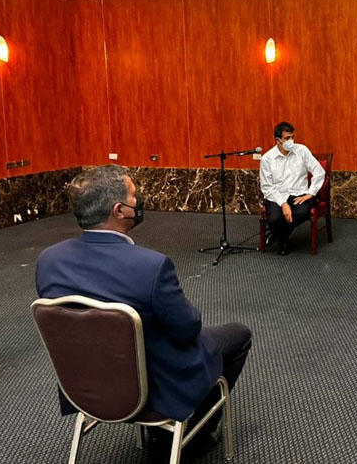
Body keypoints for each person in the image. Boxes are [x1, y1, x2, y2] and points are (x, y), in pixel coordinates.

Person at [35, 165, 253, 449]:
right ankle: (195, 437)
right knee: (238, 335)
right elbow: (187, 330)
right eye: (134, 195)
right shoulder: (151, 266)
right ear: (119, 210)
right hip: (153, 392)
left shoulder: (49, 261)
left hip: (84, 387)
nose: (139, 202)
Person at [260, 121, 326, 256]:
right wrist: (283, 204)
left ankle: (278, 237)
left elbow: (319, 171)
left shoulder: (302, 150)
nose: (291, 141)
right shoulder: (267, 158)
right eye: (287, 138)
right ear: (278, 140)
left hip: (299, 193)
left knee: (302, 212)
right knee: (273, 218)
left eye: (292, 137)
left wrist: (311, 193)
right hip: (277, 195)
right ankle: (282, 238)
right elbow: (267, 187)